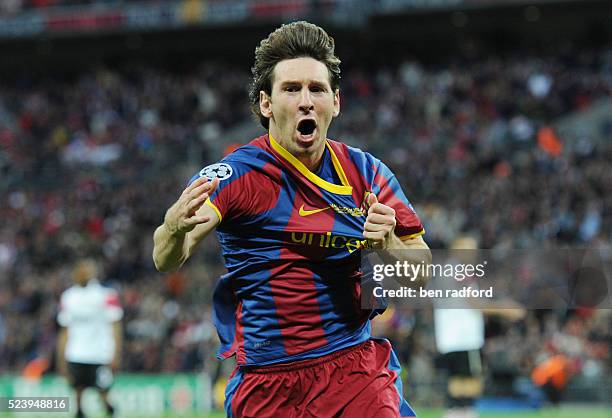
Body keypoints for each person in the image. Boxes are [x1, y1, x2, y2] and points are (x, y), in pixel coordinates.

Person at [153, 21, 431, 418]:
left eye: (316, 89)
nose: (305, 101)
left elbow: (419, 274)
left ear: (335, 103)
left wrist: (387, 244)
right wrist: (173, 227)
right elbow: (166, 258)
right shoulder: (238, 176)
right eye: (291, 89)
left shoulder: (367, 173)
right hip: (269, 385)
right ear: (266, 104)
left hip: (354, 372)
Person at [57, 259, 123, 418]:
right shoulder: (68, 297)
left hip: (100, 354)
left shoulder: (107, 295)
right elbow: (65, 330)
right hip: (76, 353)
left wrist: (116, 353)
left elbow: (116, 326)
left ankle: (111, 411)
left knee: (103, 393)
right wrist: (61, 358)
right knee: (78, 396)